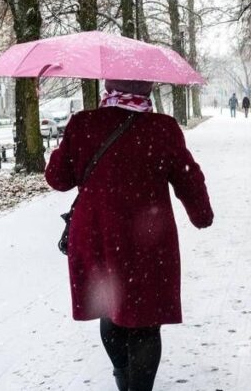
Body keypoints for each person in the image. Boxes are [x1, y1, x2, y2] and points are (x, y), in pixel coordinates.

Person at [45, 79, 214, 391]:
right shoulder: (162, 128)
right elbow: (188, 177)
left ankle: (123, 376)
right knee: (146, 322)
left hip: (97, 235)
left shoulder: (83, 124)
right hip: (148, 240)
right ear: (147, 88)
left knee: (110, 309)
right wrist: (201, 214)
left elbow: (57, 178)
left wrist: (67, 144)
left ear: (108, 86)